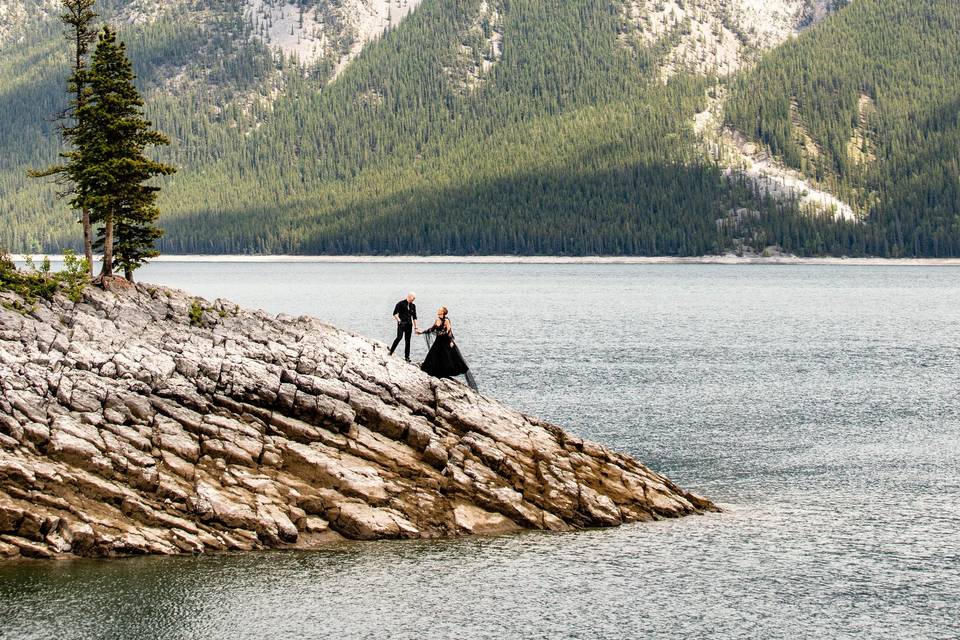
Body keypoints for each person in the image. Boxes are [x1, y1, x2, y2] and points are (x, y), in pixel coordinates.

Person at [418, 306, 477, 390]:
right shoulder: (437, 320)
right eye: (438, 311)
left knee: (447, 357)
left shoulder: (446, 320)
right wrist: (421, 332)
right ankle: (435, 372)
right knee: (434, 355)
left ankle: (444, 373)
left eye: (440, 311)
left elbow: (449, 331)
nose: (438, 312)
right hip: (438, 340)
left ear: (443, 312)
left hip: (445, 340)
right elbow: (432, 329)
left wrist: (451, 341)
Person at [389, 292, 418, 361]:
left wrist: (416, 327)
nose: (414, 299)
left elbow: (414, 317)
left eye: (414, 298)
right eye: (413, 298)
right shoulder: (400, 303)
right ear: (409, 296)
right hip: (401, 324)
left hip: (409, 325)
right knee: (399, 337)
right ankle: (391, 352)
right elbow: (395, 313)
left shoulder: (413, 306)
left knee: (408, 341)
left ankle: (407, 357)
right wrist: (399, 320)